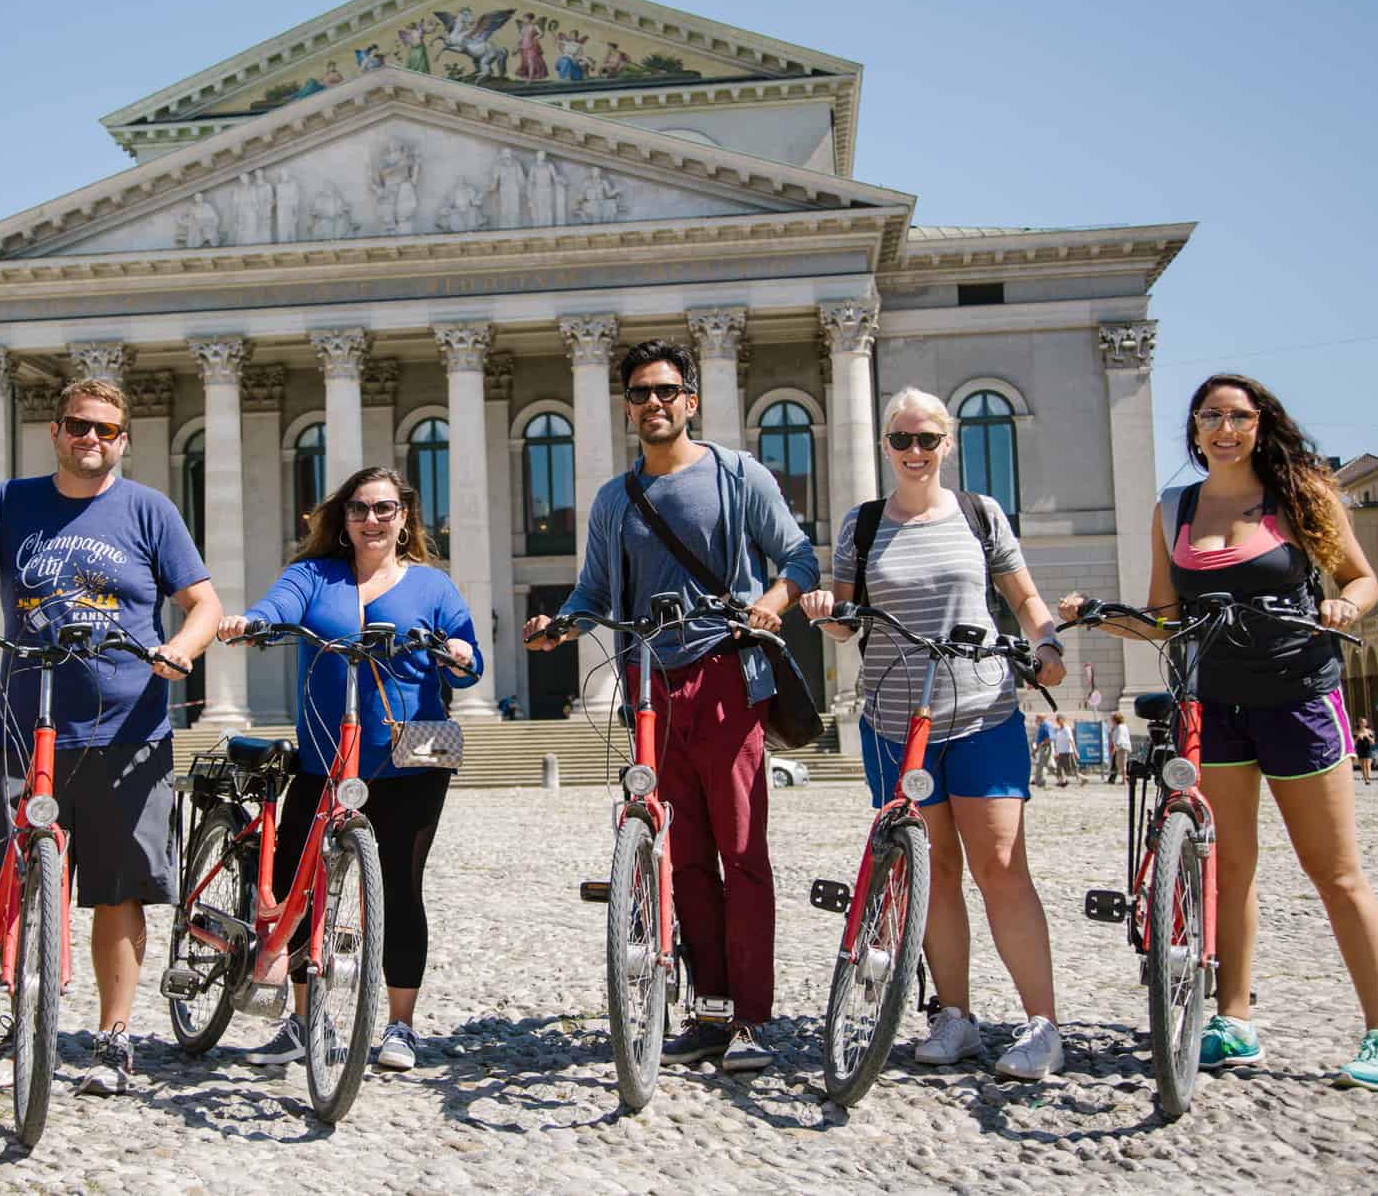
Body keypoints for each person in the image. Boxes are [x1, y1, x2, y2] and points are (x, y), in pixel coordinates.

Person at [1060, 373, 1378, 1090]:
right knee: (1228, 869)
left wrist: (1346, 608)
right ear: (1195, 428)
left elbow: (1362, 579)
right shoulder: (1175, 508)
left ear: (1259, 423)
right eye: (1209, 415)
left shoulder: (1302, 492)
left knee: (1334, 871)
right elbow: (1165, 616)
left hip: (1300, 696)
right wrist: (1098, 613)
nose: (1223, 427)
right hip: (1213, 703)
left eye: (1237, 416)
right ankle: (1233, 1018)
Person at [0, 379, 221, 1098]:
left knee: (119, 890)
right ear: (56, 429)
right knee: (10, 878)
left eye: (107, 430)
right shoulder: (9, 503)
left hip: (128, 727)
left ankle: (113, 1038)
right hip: (29, 722)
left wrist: (184, 647)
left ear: (123, 439)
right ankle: (13, 1013)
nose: (92, 439)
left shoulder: (148, 510)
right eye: (80, 425)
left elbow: (202, 601)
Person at [524, 339, 819, 1072]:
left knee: (742, 848)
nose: (653, 403)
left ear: (690, 399)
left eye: (665, 391)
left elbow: (800, 557)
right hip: (648, 684)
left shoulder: (736, 474)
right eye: (640, 394)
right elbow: (593, 592)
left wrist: (771, 604)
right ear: (627, 407)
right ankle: (710, 1011)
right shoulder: (614, 499)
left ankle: (751, 1016)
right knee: (684, 856)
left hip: (726, 674)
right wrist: (561, 624)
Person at [799, 386, 1070, 1081]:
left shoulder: (980, 516)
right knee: (933, 873)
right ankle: (955, 1015)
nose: (914, 451)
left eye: (927, 439)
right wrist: (828, 613)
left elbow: (1024, 598)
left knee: (1001, 865)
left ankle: (1043, 1025)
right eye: (902, 440)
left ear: (948, 444)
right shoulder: (860, 527)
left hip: (981, 711)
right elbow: (846, 620)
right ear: (886, 446)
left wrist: (1048, 643)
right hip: (894, 721)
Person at [218, 467, 480, 1072]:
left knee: (399, 885)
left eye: (384, 509)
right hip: (325, 752)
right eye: (360, 509)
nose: (371, 520)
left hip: (418, 748)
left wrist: (463, 653)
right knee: (298, 883)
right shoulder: (313, 576)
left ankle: (401, 1027)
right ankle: (304, 1021)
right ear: (344, 517)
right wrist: (253, 624)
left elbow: (469, 663)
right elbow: (277, 606)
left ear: (404, 516)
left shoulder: (432, 587)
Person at [1049, 714, 1086, 787]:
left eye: (1058, 719)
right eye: (1056, 720)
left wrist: (1075, 752)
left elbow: (1071, 740)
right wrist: (1057, 752)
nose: (1057, 721)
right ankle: (1062, 781)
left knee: (1070, 770)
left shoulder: (1067, 729)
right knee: (1059, 767)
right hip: (1061, 752)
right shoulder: (1060, 729)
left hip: (1067, 752)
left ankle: (1083, 778)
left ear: (1062, 720)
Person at [1108, 712, 1134, 784]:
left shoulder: (1120, 727)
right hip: (1120, 747)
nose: (1111, 720)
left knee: (1122, 764)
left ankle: (1124, 780)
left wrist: (1115, 747)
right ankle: (1125, 778)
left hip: (1122, 747)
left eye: (1112, 719)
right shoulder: (1118, 727)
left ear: (1116, 719)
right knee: (1119, 764)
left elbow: (1119, 738)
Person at [1031, 714, 1053, 788]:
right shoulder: (1043, 725)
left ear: (1041, 718)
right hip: (1043, 747)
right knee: (1042, 764)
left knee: (1043, 764)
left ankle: (1040, 782)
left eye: (1037, 718)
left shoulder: (1045, 725)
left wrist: (1041, 744)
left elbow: (1049, 737)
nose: (1035, 720)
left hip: (1045, 747)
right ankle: (1038, 781)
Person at [1354, 717, 1377, 786]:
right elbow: (1353, 742)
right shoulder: (1356, 731)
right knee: (1362, 766)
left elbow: (1373, 742)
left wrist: (1367, 736)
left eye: (1364, 722)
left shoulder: (1369, 731)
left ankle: (1368, 779)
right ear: (1359, 723)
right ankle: (1365, 779)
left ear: (1366, 723)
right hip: (1360, 749)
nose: (1362, 723)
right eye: (1361, 722)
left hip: (1368, 749)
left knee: (1368, 765)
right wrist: (1358, 737)